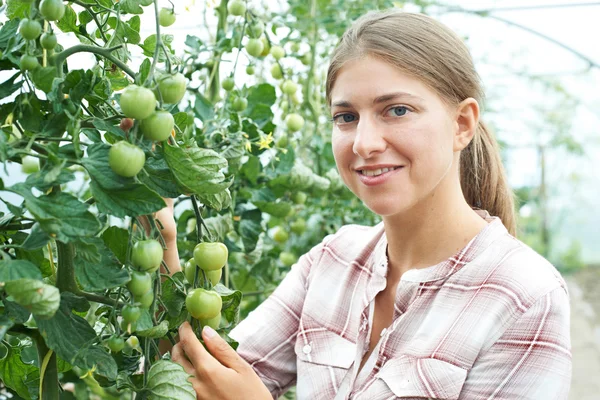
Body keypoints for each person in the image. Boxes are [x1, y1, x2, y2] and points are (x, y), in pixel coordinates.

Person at [157, 9, 572, 400]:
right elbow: (204, 378)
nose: (364, 143)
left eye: (396, 110)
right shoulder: (331, 262)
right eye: (346, 117)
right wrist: (158, 235)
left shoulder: (524, 295)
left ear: (461, 124)